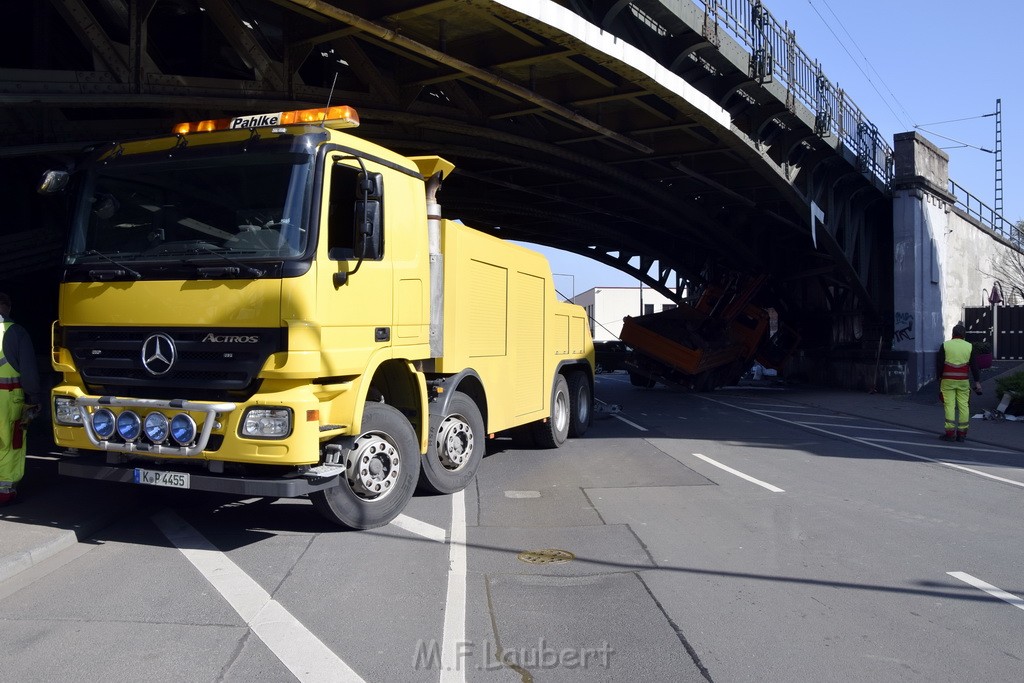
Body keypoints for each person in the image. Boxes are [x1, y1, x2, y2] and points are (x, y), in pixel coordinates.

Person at [0, 292, 42, 506]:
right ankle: (4, 489)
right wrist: (34, 396)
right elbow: (28, 371)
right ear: (7, 307)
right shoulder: (16, 332)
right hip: (8, 397)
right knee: (9, 443)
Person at [936, 323, 982, 442]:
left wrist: (939, 378)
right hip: (963, 381)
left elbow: (939, 364)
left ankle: (950, 433)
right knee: (963, 406)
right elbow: (974, 366)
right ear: (964, 335)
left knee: (949, 405)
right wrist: (977, 382)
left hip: (947, 381)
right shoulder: (969, 346)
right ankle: (962, 433)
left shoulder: (945, 345)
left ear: (952, 334)